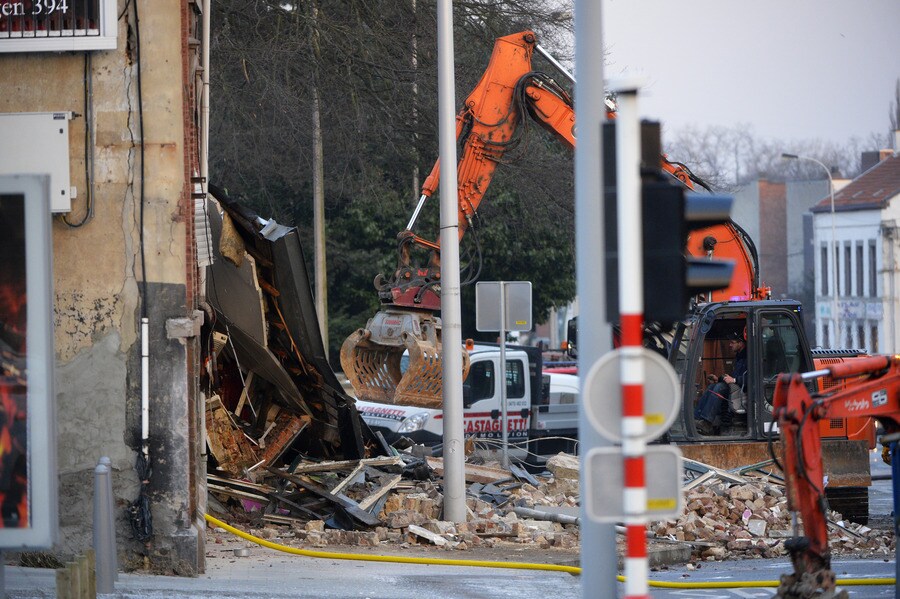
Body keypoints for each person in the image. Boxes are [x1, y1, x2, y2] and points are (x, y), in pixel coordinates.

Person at [694, 330, 747, 435]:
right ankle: (697, 418)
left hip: (743, 388)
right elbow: (734, 376)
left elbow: (752, 378)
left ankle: (707, 422)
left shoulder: (749, 357)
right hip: (735, 386)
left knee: (719, 388)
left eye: (732, 342)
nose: (730, 345)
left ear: (740, 343)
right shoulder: (739, 356)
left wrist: (734, 380)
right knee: (712, 386)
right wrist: (718, 378)